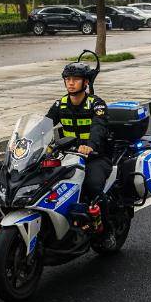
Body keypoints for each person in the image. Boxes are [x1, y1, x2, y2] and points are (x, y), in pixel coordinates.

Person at [46, 62, 118, 205]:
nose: (71, 83)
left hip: (95, 156)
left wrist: (90, 145)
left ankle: (102, 220)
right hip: (68, 155)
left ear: (85, 82)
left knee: (93, 185)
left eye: (76, 79)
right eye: (67, 79)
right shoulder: (60, 104)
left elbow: (99, 126)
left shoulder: (96, 104)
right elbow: (44, 124)